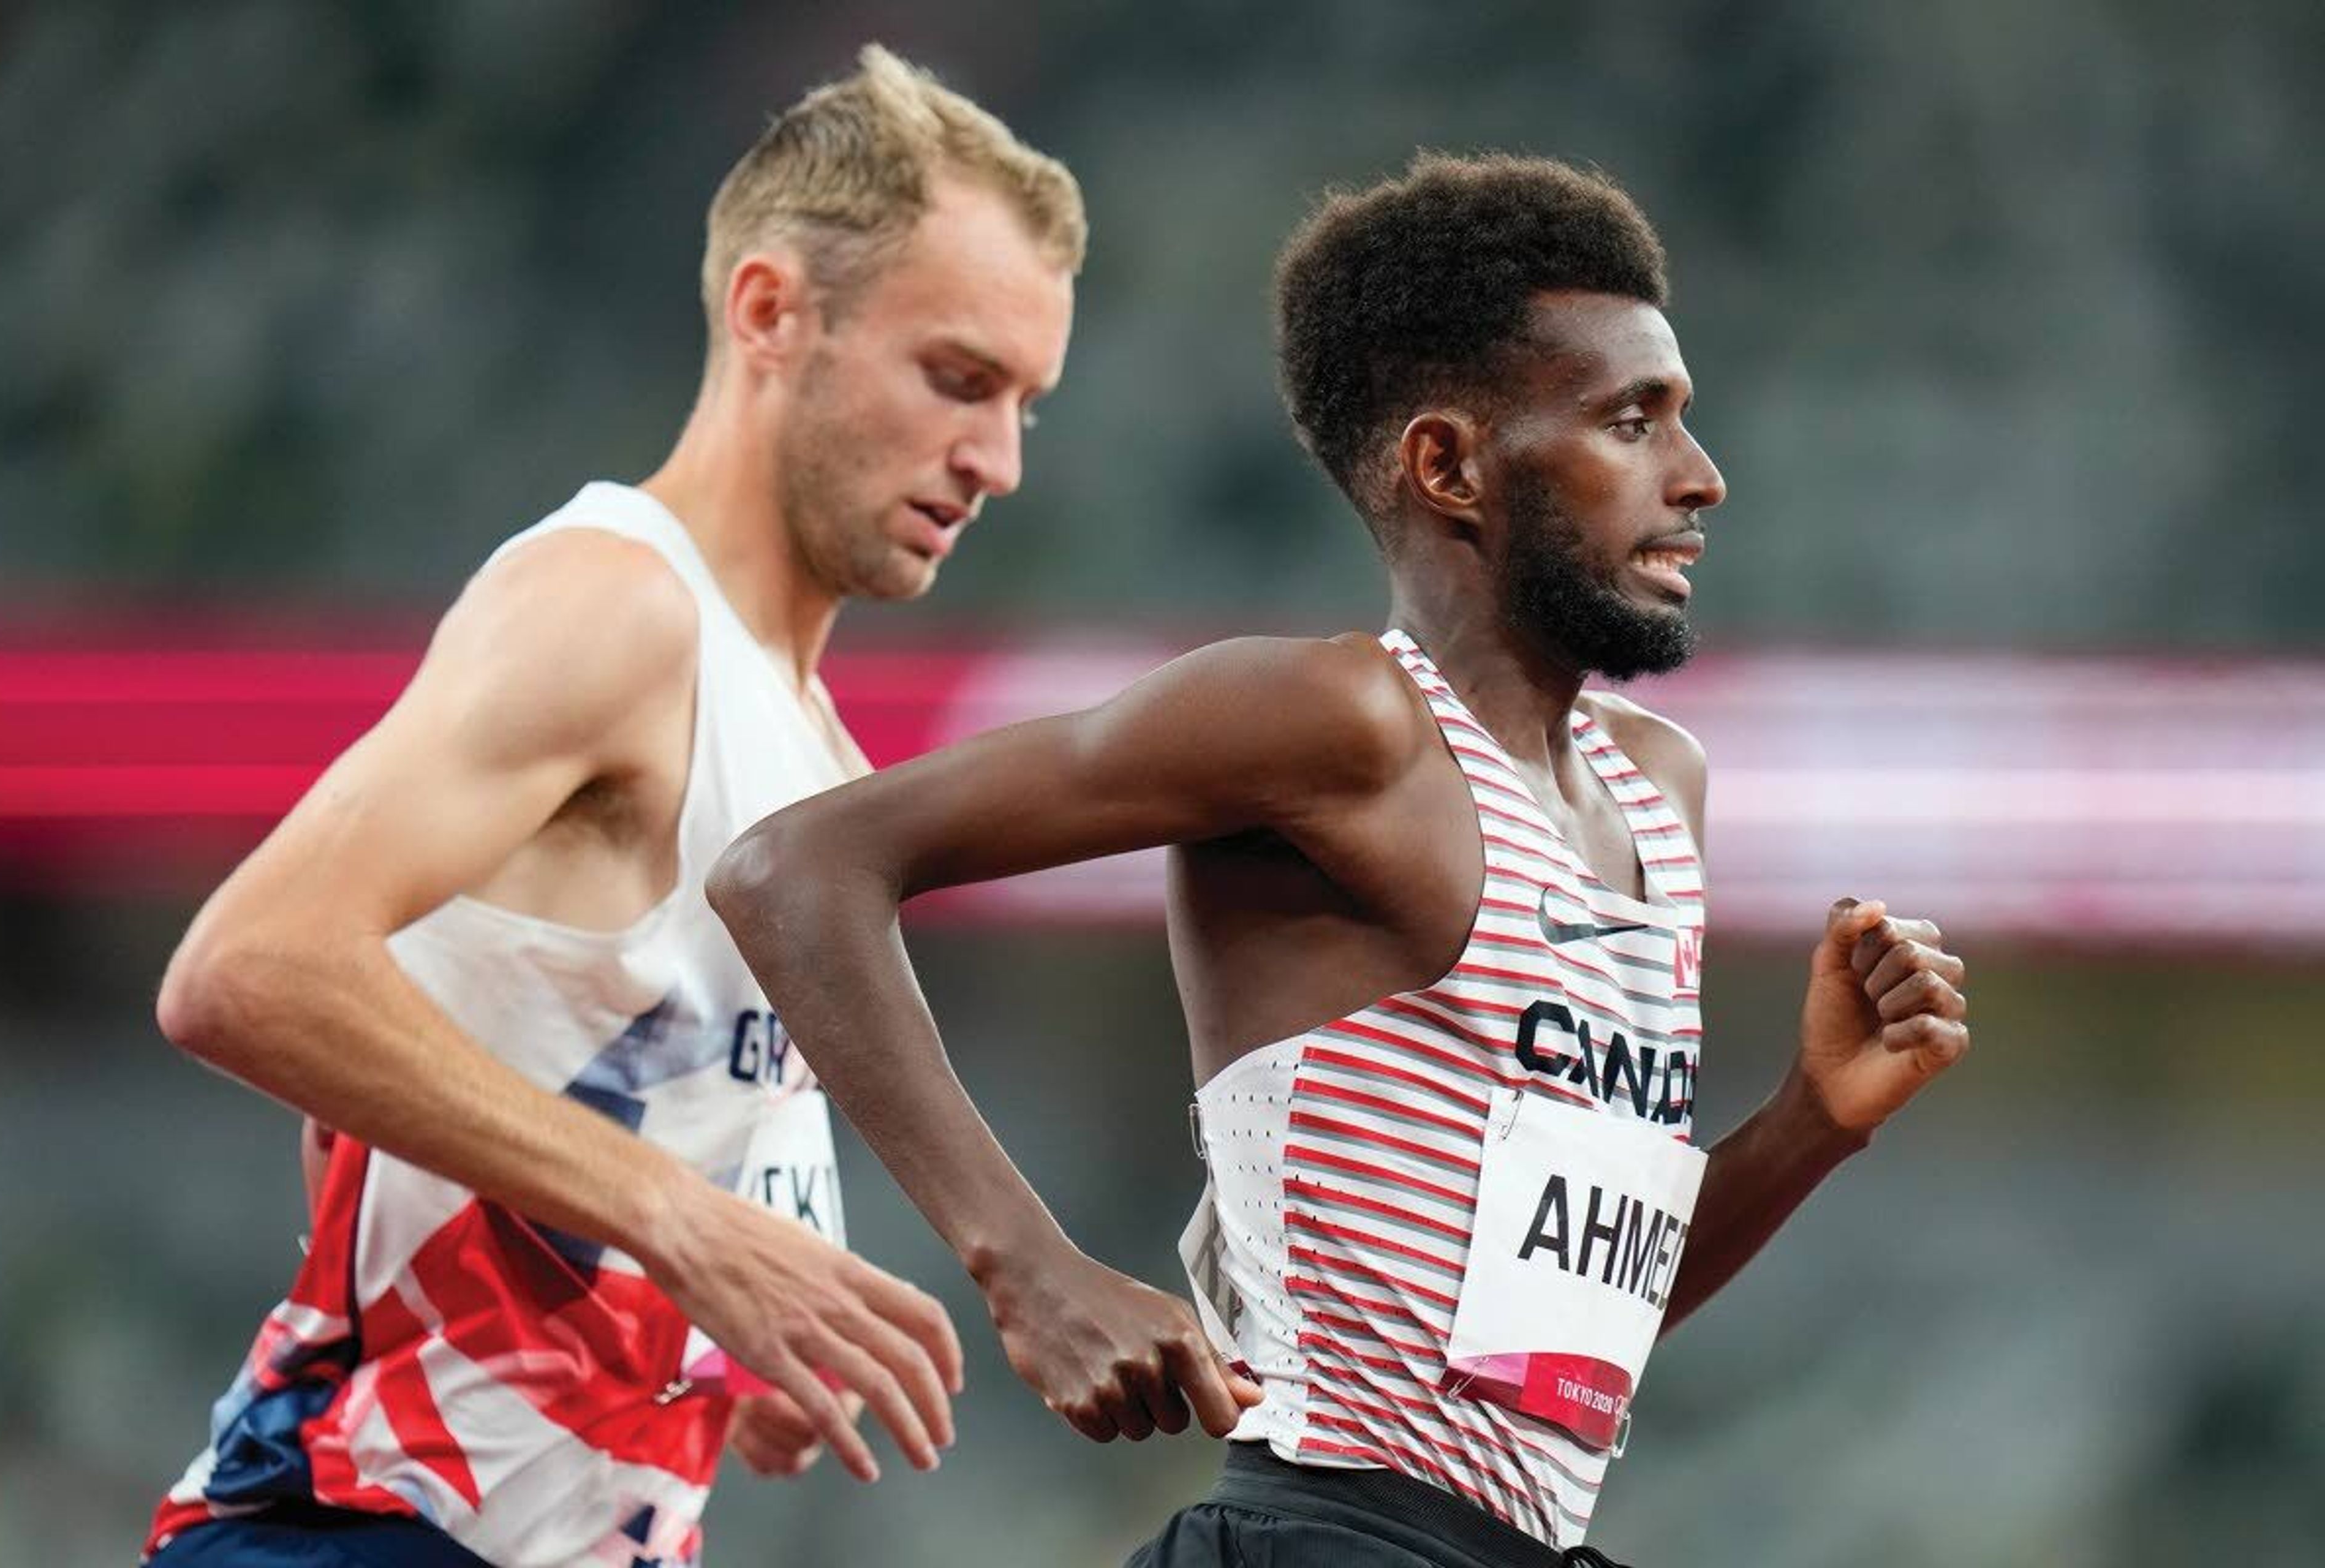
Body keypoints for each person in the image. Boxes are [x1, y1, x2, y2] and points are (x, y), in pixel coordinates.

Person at [703, 153, 1972, 1567]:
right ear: (1449, 465)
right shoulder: (1337, 722)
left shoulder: (1659, 791)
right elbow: (798, 869)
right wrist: (1029, 1267)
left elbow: (1563, 1330)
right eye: (1634, 421)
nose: (1702, 477)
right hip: (1324, 1528)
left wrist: (1813, 1118)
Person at [143, 45, 1084, 1568]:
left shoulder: (821, 754)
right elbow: (247, 968)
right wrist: (684, 1227)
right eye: (959, 379)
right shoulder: (615, 606)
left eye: (1028, 402)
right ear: (771, 311)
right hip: (361, 1527)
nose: (999, 460)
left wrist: (714, 1336)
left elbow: (518, 1081)